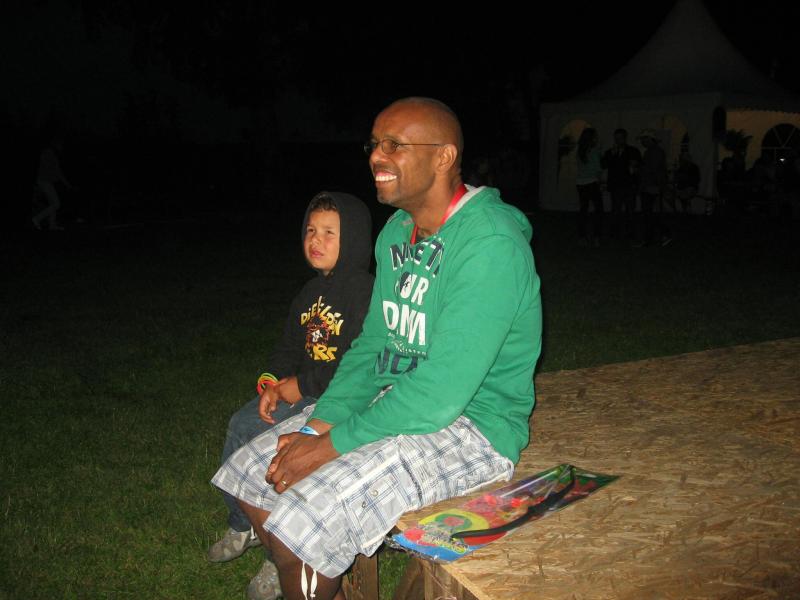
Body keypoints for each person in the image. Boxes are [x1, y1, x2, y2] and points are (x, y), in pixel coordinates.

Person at [211, 97, 542, 600]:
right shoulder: (396, 234)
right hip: (397, 400)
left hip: (473, 426)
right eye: (373, 144)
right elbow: (373, 346)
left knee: (306, 519)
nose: (376, 156)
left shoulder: (490, 243)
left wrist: (329, 446)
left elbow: (440, 393)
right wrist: (317, 426)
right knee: (255, 473)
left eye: (394, 145)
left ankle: (303, 571)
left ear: (444, 157)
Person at [207, 191, 374, 567]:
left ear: (354, 239)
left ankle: (283, 549)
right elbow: (288, 346)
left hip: (337, 397)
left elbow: (356, 363)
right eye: (311, 230)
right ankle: (244, 523)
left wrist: (300, 386)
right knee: (242, 425)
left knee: (285, 455)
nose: (316, 240)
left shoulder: (364, 292)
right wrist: (273, 382)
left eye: (329, 232)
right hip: (303, 390)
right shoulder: (308, 293)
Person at [602, 128, 641, 240]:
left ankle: (630, 233)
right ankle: (615, 232)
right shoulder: (610, 152)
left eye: (620, 138)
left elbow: (639, 166)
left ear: (625, 138)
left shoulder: (633, 151)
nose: (618, 141)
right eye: (616, 138)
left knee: (630, 211)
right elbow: (603, 165)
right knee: (615, 210)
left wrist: (635, 168)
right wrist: (612, 154)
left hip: (629, 186)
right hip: (616, 187)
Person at [636, 129, 671, 246]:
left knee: (651, 214)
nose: (642, 142)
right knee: (650, 214)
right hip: (651, 186)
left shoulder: (655, 152)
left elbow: (653, 170)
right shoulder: (651, 151)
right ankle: (654, 237)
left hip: (652, 187)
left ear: (650, 139)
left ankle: (662, 235)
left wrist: (639, 170)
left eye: (643, 139)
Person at [31, 135, 73, 230]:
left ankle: (52, 225)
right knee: (56, 204)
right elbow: (57, 171)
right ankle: (36, 219)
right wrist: (66, 184)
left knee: (52, 203)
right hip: (44, 181)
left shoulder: (49, 153)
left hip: (44, 181)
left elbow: (54, 170)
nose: (61, 147)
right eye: (60, 145)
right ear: (56, 145)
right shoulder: (49, 153)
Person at [575, 127, 604, 246]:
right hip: (591, 182)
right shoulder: (594, 150)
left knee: (583, 210)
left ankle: (582, 237)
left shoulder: (580, 151)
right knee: (599, 210)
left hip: (580, 183)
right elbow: (597, 169)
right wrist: (600, 182)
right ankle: (596, 237)